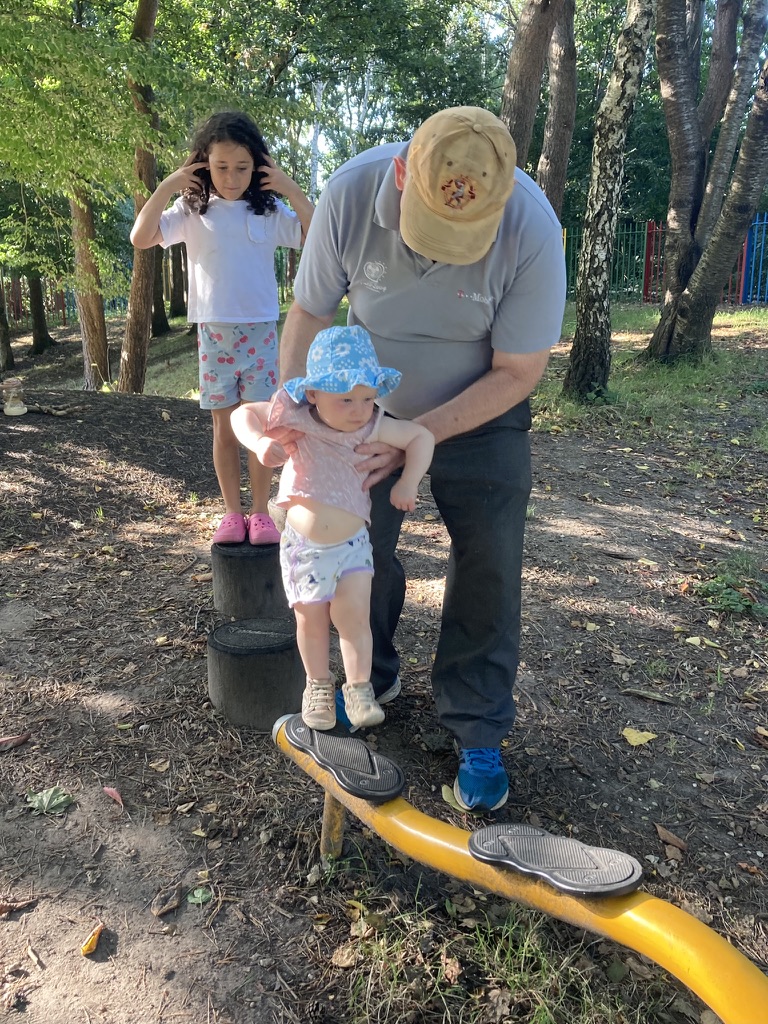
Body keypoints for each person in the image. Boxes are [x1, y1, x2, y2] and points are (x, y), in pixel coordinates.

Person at [277, 106, 567, 812]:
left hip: (482, 408)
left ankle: (477, 725)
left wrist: (416, 435)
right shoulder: (350, 193)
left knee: (491, 559)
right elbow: (310, 315)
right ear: (402, 173)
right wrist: (300, 424)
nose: (445, 250)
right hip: (358, 407)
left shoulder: (533, 227)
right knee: (347, 542)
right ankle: (363, 679)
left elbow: (519, 370)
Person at [231, 325, 435, 731]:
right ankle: (318, 685)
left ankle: (358, 688)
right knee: (311, 621)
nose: (359, 408)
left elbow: (421, 436)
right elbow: (241, 414)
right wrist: (258, 443)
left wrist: (409, 480)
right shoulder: (296, 419)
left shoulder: (371, 425)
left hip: (352, 546)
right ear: (313, 394)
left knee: (354, 617)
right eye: (346, 399)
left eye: (367, 397)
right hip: (304, 548)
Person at [130, 111, 314, 546]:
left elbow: (317, 232)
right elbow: (141, 237)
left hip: (261, 334)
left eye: (243, 167)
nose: (232, 177)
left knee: (263, 429)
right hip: (214, 334)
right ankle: (232, 513)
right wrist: (169, 185)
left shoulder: (268, 209)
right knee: (224, 428)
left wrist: (287, 186)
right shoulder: (192, 209)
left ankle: (260, 512)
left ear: (258, 167)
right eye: (221, 167)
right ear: (203, 165)